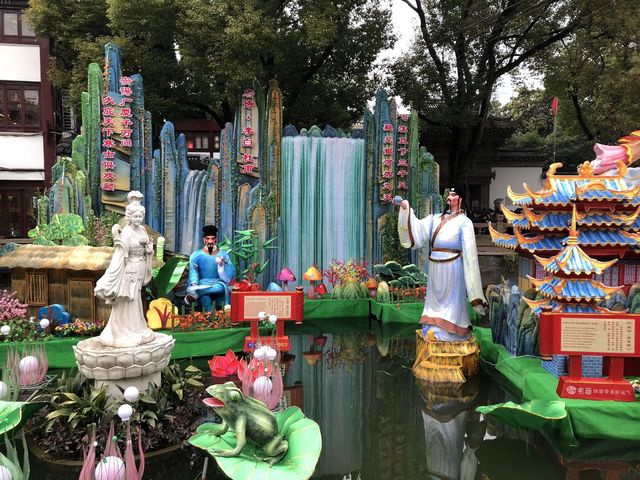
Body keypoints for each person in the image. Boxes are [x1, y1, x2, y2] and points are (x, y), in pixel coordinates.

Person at [397, 189, 487, 341]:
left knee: (451, 299)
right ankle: (433, 326)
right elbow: (418, 229)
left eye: (453, 195)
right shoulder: (435, 219)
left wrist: (471, 278)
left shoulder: (465, 222)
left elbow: (470, 252)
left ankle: (452, 331)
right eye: (449, 195)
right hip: (435, 265)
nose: (449, 198)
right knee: (435, 299)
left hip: (453, 265)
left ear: (460, 199)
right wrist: (406, 209)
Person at [94, 191, 155, 348]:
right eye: (135, 216)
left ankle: (138, 327)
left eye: (141, 216)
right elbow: (121, 255)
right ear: (129, 217)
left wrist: (149, 250)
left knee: (136, 299)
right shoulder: (126, 233)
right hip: (129, 269)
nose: (138, 219)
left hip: (140, 265)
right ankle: (122, 330)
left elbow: (147, 247)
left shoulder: (142, 230)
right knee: (127, 299)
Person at [186, 225, 236, 311]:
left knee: (219, 288)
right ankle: (210, 316)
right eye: (208, 239)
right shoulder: (196, 255)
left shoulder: (223, 254)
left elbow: (231, 272)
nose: (210, 241)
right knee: (204, 296)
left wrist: (222, 265)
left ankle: (196, 294)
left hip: (218, 283)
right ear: (204, 240)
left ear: (215, 240)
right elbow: (193, 271)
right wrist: (194, 283)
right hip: (203, 283)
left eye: (212, 239)